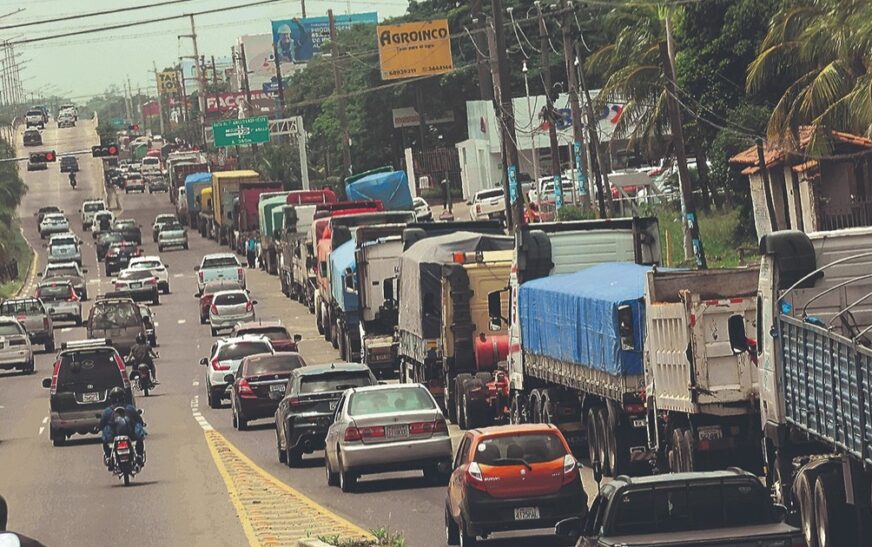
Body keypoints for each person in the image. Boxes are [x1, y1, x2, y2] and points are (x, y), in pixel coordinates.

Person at [99, 387, 146, 468]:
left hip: (115, 437)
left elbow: (102, 424)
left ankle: (107, 457)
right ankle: (139, 455)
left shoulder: (108, 411)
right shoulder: (130, 408)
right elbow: (139, 420)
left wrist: (99, 428)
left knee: (105, 440)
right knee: (140, 440)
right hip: (130, 435)